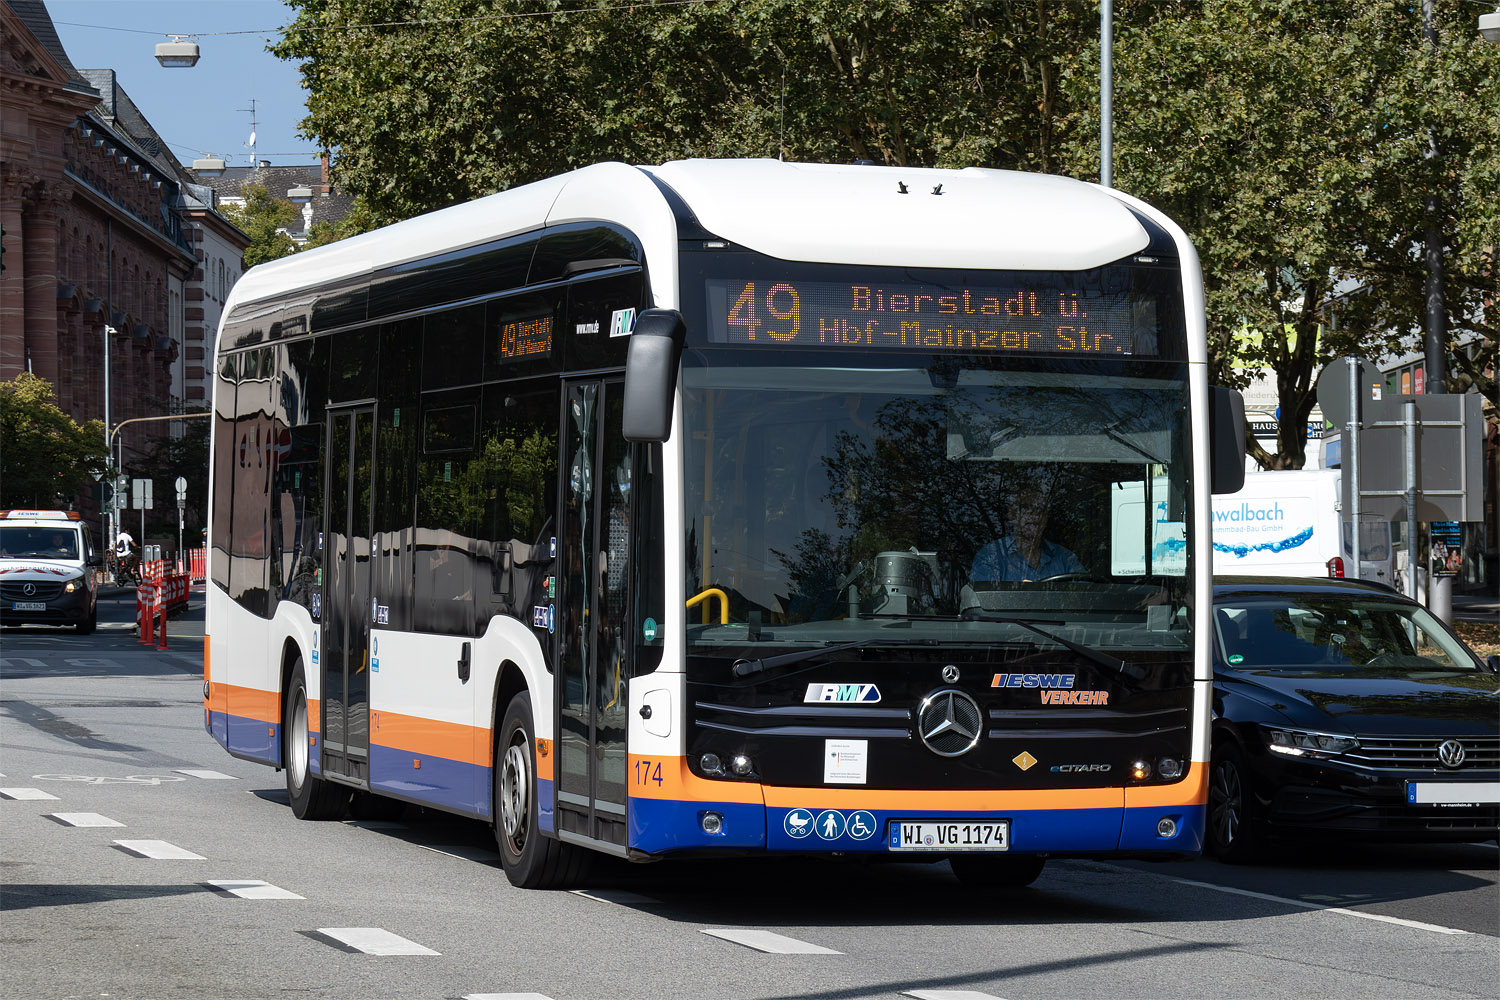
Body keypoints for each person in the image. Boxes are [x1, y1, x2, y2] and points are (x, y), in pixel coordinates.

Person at [970, 466, 1083, 583]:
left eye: (1040, 509)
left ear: (1046, 518)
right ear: (1012, 515)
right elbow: (984, 600)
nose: (1034, 514)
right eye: (1026, 507)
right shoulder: (991, 557)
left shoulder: (1065, 559)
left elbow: (1085, 596)